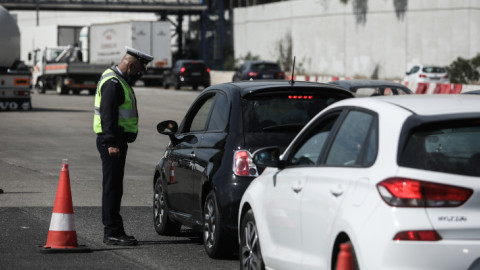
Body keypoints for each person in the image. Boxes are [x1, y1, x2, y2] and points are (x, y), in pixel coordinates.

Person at [93, 46, 153, 246]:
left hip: (117, 141)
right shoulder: (113, 83)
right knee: (112, 188)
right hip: (112, 143)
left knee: (115, 187)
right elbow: (107, 115)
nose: (138, 74)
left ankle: (114, 230)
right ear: (130, 64)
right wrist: (111, 143)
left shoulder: (118, 79)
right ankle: (112, 232)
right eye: (137, 70)